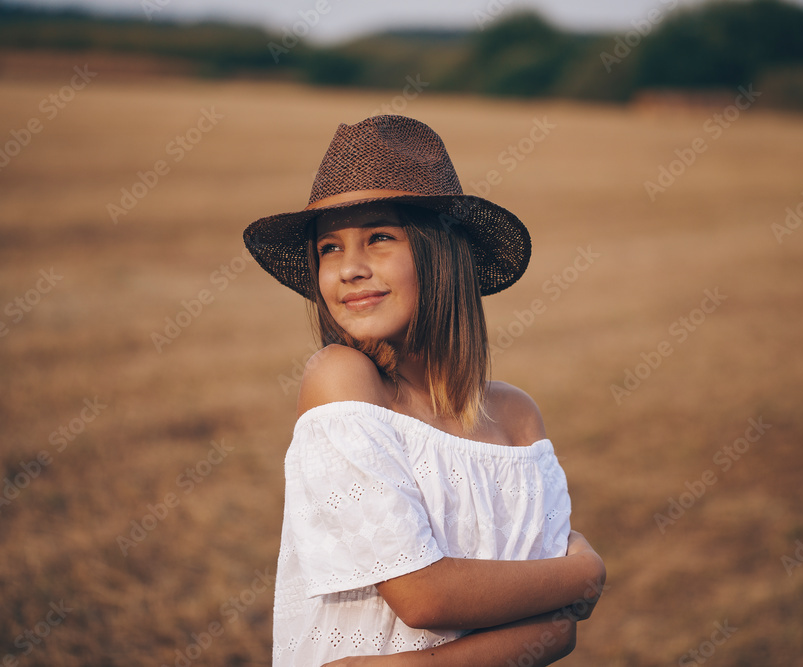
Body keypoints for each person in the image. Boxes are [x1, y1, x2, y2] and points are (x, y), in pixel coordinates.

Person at [244, 115, 606, 666]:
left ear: (442, 253)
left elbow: (556, 633)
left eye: (380, 237)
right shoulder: (342, 378)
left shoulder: (516, 417)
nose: (349, 269)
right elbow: (423, 597)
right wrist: (583, 574)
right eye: (329, 249)